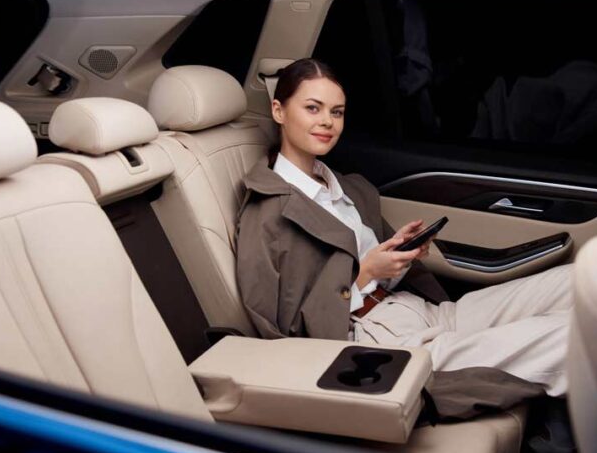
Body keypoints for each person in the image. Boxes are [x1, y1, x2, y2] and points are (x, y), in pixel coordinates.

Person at [236, 58, 574, 396]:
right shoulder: (266, 213)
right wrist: (363, 275)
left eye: (337, 112)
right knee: (576, 335)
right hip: (376, 343)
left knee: (583, 280)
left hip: (418, 309)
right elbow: (282, 332)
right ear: (279, 111)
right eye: (313, 108)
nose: (327, 121)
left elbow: (374, 269)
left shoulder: (346, 188)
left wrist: (399, 258)